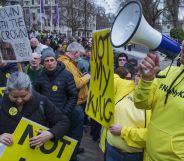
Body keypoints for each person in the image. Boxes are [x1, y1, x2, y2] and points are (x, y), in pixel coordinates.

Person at [133, 41, 184, 160]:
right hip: (148, 155)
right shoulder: (168, 72)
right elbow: (141, 103)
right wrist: (146, 79)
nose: (183, 43)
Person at [0, 72, 70, 147]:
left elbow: (63, 121)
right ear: (8, 92)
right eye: (14, 97)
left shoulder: (42, 101)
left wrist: (51, 133)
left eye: (23, 96)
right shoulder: (1, 104)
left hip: (35, 152)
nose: (19, 100)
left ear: (30, 90)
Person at [34, 48, 78, 161]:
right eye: (46, 61)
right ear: (43, 63)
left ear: (56, 60)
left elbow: (73, 96)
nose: (49, 63)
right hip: (46, 117)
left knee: (63, 146)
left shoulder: (67, 75)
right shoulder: (40, 75)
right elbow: (36, 95)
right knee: (48, 146)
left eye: (52, 60)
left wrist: (64, 113)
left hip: (63, 117)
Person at [57, 42, 90, 158]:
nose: (79, 57)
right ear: (75, 53)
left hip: (71, 103)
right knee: (75, 133)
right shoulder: (67, 63)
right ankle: (72, 155)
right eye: (79, 54)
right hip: (74, 105)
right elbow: (76, 83)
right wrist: (86, 77)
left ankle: (71, 152)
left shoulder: (66, 62)